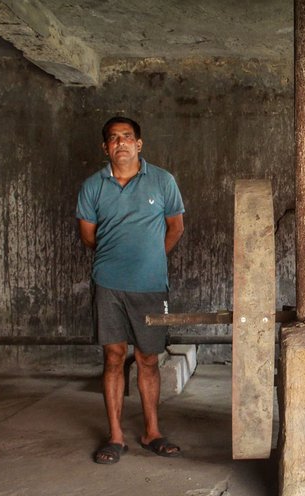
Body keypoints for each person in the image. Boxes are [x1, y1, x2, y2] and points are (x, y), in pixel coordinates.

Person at [76, 116, 185, 465]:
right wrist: (117, 260)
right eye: (113, 138)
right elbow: (88, 236)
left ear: (139, 144)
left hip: (151, 286)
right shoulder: (93, 186)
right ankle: (116, 437)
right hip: (108, 285)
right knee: (112, 358)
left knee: (148, 359)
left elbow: (175, 229)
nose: (120, 142)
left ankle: (152, 431)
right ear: (105, 147)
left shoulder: (163, 181)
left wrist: (150, 259)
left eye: (127, 137)